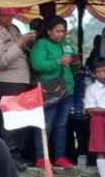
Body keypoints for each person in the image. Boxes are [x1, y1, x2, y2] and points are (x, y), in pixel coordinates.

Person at [0, 9, 36, 167]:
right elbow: (2, 61)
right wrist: (19, 42)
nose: (11, 17)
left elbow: (21, 51)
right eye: (7, 14)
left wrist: (28, 42)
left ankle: (18, 154)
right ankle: (8, 155)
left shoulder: (14, 28)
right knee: (10, 120)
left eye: (12, 14)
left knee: (22, 119)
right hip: (9, 81)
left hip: (23, 79)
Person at [29, 15, 77, 169]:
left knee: (61, 125)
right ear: (49, 31)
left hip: (67, 89)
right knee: (45, 124)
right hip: (48, 90)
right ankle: (41, 157)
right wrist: (57, 62)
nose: (61, 34)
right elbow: (37, 64)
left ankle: (60, 156)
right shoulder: (41, 45)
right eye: (57, 31)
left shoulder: (68, 45)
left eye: (63, 31)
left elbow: (73, 68)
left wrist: (76, 63)